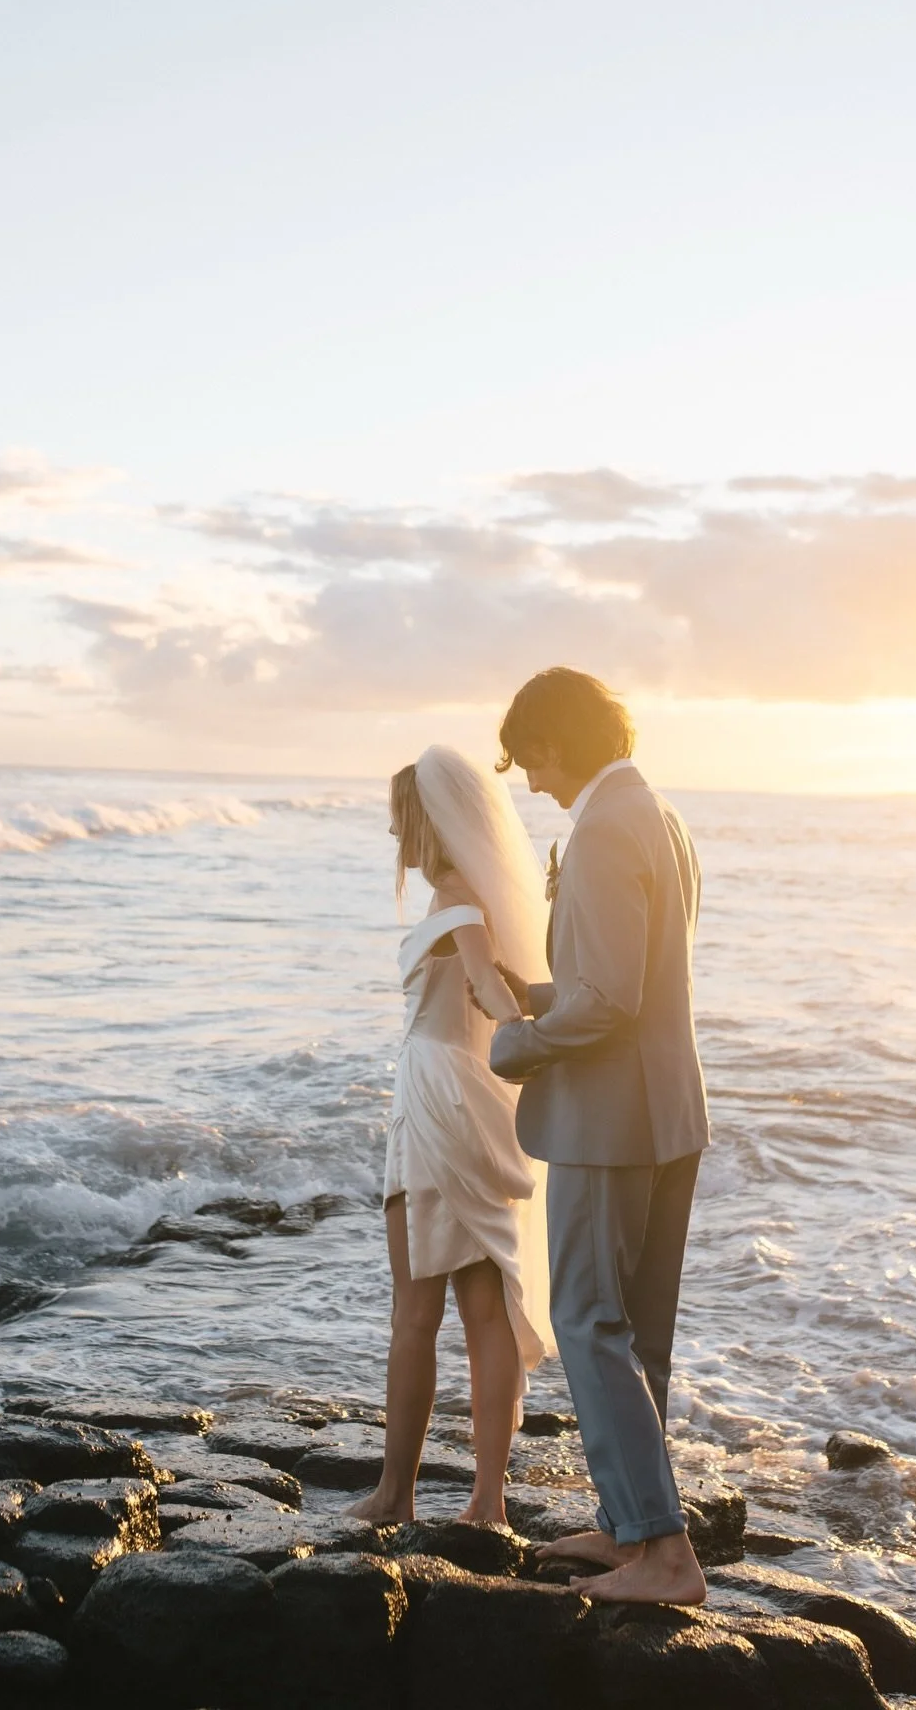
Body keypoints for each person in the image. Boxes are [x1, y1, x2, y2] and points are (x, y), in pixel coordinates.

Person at [488, 667, 711, 1604]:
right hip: (667, 1115)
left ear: (560, 740)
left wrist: (519, 1044)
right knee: (637, 1333)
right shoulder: (658, 815)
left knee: (585, 1321)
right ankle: (630, 1528)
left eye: (530, 755)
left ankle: (664, 1555)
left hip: (610, 1122)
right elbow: (632, 980)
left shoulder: (604, 828)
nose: (528, 778)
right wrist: (543, 994)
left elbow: (610, 1004)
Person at [349, 745, 554, 1527]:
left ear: (427, 822)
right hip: (467, 1096)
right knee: (484, 1306)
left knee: (415, 1314)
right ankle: (486, 1502)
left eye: (402, 818)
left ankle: (396, 1495)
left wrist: (526, 1024)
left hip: (437, 1101)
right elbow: (493, 986)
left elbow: (486, 984)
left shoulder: (457, 900)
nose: (395, 834)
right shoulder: (469, 897)